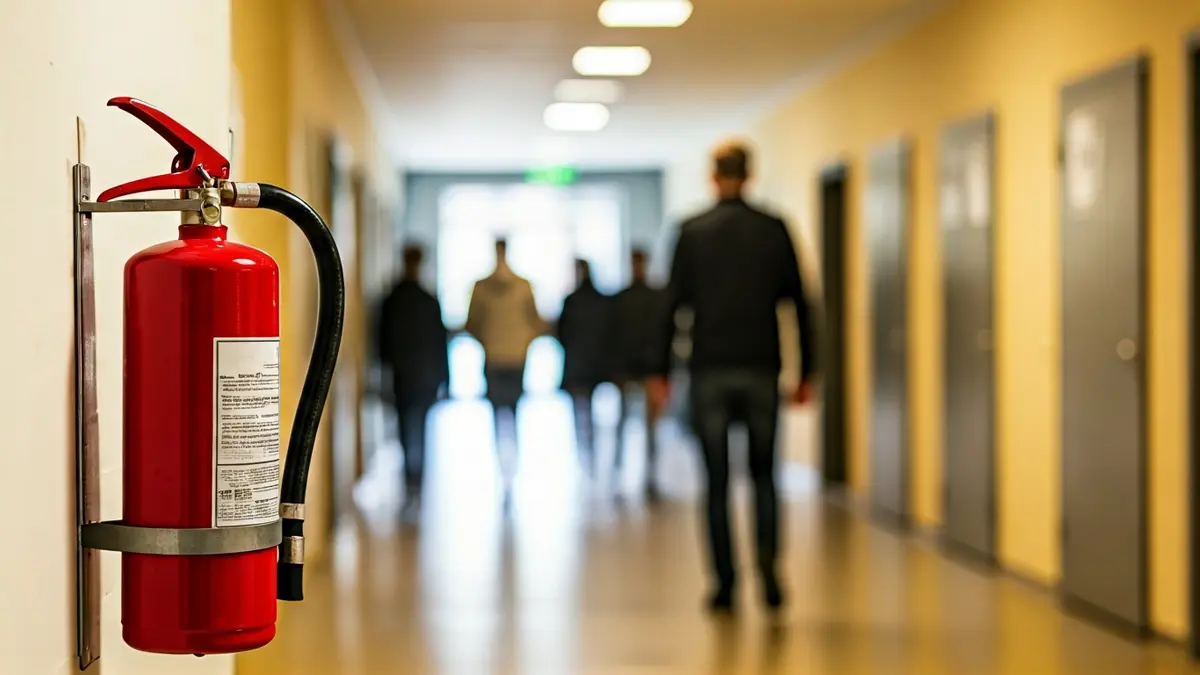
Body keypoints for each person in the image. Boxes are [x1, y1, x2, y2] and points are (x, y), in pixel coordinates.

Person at [650, 141, 817, 615]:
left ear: (712, 176)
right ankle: (769, 571)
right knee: (765, 476)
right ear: (750, 174)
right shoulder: (773, 230)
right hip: (762, 368)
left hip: (709, 371)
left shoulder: (692, 232)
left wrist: (660, 371)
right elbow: (801, 304)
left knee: (717, 481)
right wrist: (808, 370)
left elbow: (670, 307)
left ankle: (724, 583)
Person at [465, 238, 545, 502]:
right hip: (515, 356)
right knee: (514, 411)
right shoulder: (523, 286)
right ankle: (511, 468)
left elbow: (472, 323)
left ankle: (503, 466)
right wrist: (521, 342)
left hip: (495, 356)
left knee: (497, 413)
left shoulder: (482, 287)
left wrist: (489, 340)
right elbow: (535, 322)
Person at [377, 244, 450, 515]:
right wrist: (445, 379)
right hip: (422, 377)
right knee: (416, 428)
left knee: (409, 429)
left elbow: (382, 346)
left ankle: (413, 481)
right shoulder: (425, 300)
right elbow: (439, 344)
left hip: (406, 376)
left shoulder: (393, 300)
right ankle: (415, 481)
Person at [608, 248, 668, 501]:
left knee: (651, 427)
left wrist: (662, 371)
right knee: (622, 423)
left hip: (650, 369)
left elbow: (663, 334)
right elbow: (613, 335)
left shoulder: (655, 298)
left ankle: (650, 477)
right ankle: (617, 477)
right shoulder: (622, 299)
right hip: (628, 369)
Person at [556, 259, 612, 475]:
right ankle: (587, 451)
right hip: (592, 362)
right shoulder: (599, 301)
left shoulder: (573, 301)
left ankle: (585, 450)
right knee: (587, 409)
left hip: (581, 363)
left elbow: (562, 332)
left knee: (581, 410)